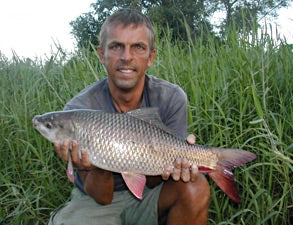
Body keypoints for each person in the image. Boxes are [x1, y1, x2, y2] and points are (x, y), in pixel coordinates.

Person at [48, 8, 210, 225]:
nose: (126, 57)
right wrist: (89, 166)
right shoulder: (79, 109)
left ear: (151, 57)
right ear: (101, 55)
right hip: (97, 201)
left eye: (138, 47)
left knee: (196, 186)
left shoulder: (171, 97)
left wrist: (172, 162)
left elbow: (153, 182)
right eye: (116, 46)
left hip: (153, 191)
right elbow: (102, 197)